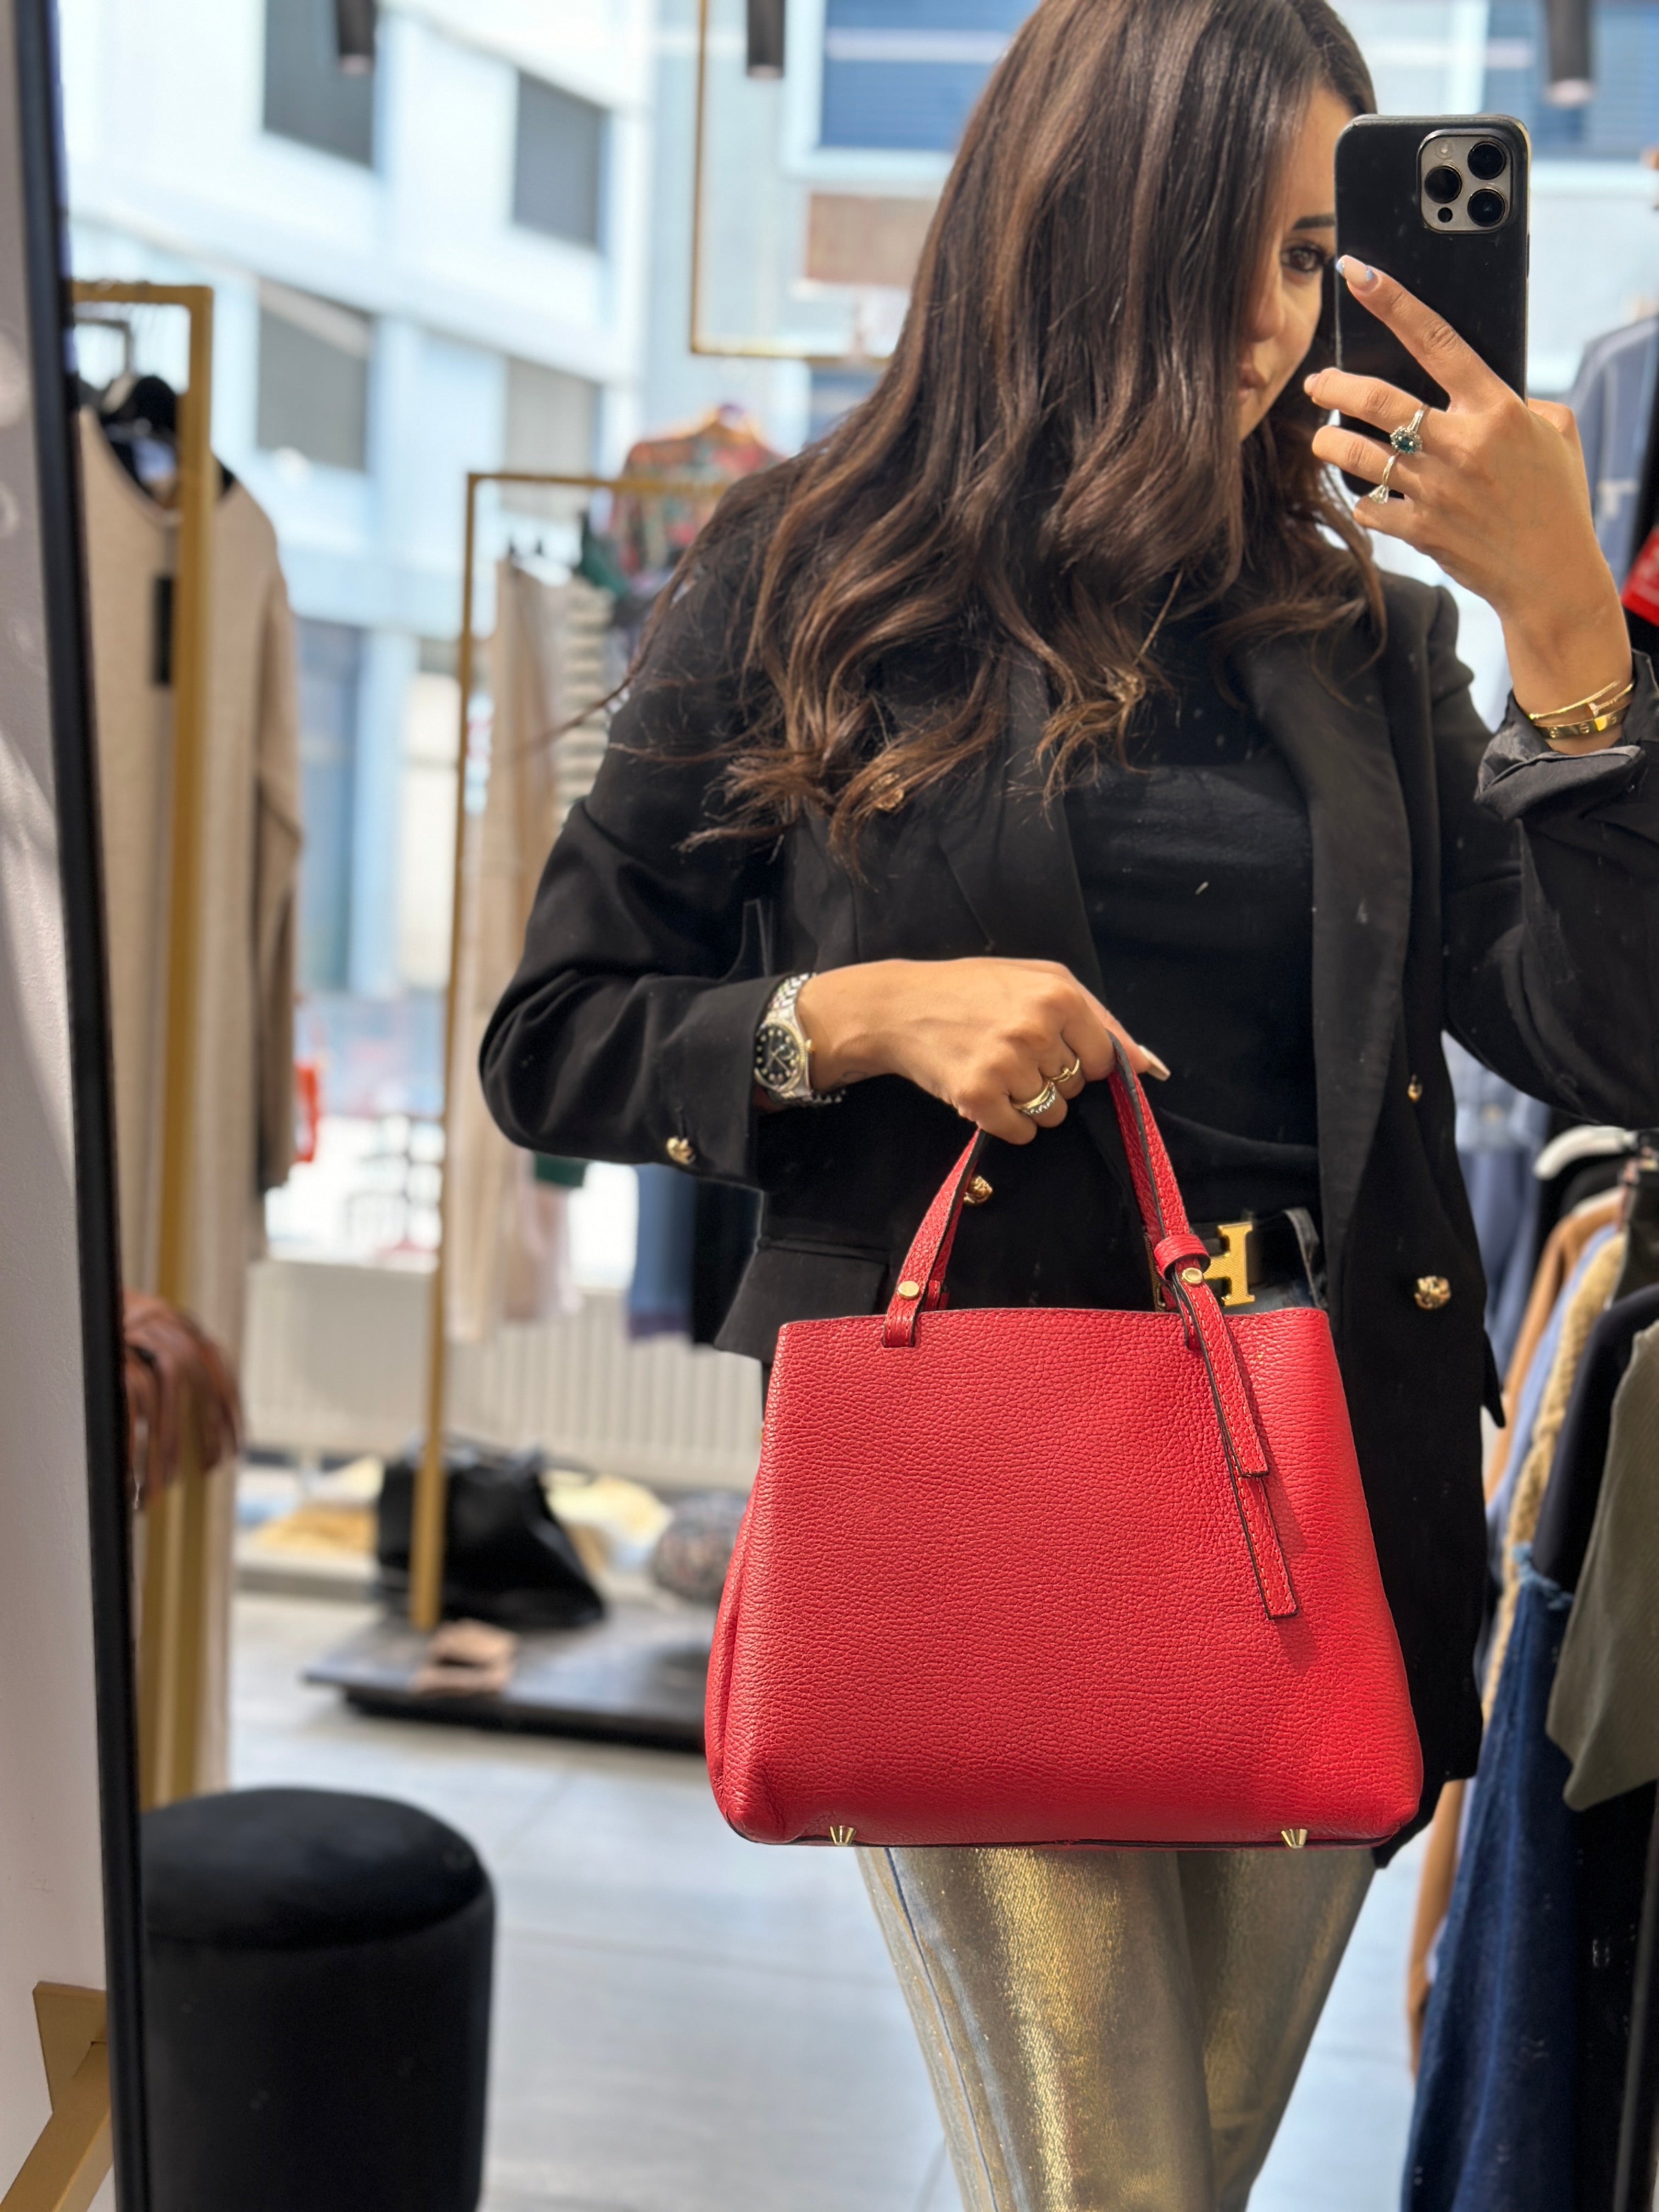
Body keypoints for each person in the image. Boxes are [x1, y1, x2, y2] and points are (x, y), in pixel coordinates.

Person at [481, 1, 1659, 2202]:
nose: (1291, 314)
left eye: (1322, 252)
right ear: (1101, 212)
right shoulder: (815, 576)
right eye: (1251, 239)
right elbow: (554, 1031)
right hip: (983, 1478)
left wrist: (1570, 636)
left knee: (1149, 2179)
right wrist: (855, 1018)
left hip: (1325, 1499)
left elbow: (1609, 1046)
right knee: (1114, 2186)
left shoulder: (1375, 645)